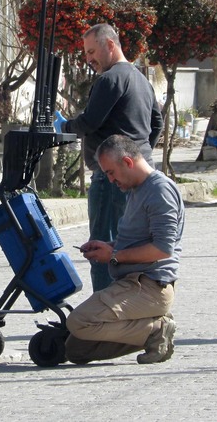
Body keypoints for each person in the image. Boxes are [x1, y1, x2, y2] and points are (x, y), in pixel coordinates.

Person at [54, 23, 163, 292]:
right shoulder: (142, 80)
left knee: (102, 245)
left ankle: (102, 310)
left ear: (110, 45)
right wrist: (139, 156)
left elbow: (90, 122)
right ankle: (131, 304)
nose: (88, 58)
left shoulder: (110, 79)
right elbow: (157, 124)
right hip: (140, 173)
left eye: (92, 51)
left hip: (110, 177)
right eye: (86, 53)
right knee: (132, 243)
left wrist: (64, 127)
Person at [65, 135, 183, 365]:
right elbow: (137, 241)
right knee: (76, 349)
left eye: (110, 172)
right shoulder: (137, 190)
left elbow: (162, 248)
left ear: (128, 162)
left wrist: (114, 255)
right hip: (131, 282)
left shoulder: (159, 191)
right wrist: (108, 245)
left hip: (149, 286)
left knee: (79, 323)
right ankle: (148, 329)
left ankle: (156, 329)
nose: (110, 180)